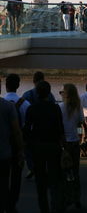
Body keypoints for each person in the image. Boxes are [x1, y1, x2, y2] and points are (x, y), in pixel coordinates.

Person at [23, 81, 65, 213]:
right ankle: (55, 206)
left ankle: (44, 208)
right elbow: (60, 129)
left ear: (37, 93)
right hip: (53, 146)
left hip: (38, 147)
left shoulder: (31, 108)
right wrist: (63, 146)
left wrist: (29, 145)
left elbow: (27, 129)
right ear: (49, 92)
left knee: (40, 180)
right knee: (54, 179)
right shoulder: (55, 108)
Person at [4, 74, 30, 213]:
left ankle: (4, 201)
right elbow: (27, 125)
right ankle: (12, 203)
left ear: (5, 86)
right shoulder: (25, 104)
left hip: (3, 144)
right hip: (18, 144)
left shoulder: (3, 103)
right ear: (18, 85)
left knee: (3, 176)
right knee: (16, 176)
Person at [22, 71, 55, 179]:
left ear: (33, 81)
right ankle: (42, 170)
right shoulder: (50, 95)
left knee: (29, 151)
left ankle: (33, 168)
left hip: (33, 130)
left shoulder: (26, 95)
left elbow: (23, 114)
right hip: (48, 130)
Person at [59, 83, 84, 209]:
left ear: (65, 94)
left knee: (64, 172)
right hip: (75, 143)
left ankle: (66, 198)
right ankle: (77, 198)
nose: (61, 93)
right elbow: (80, 122)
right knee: (75, 172)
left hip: (64, 144)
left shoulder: (59, 107)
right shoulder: (78, 107)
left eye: (61, 92)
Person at [0, 96, 24, 213]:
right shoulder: (8, 106)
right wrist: (20, 150)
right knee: (4, 183)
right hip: (4, 153)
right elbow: (16, 131)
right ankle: (9, 207)